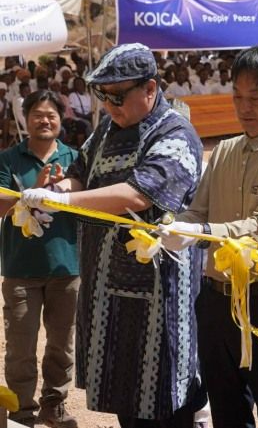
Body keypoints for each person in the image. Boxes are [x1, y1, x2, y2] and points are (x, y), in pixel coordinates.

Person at [21, 43, 205, 428]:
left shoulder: (175, 133)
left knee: (164, 401)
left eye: (118, 96)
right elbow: (82, 171)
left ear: (150, 89)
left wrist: (67, 200)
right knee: (126, 399)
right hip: (108, 290)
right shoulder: (107, 128)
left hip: (157, 296)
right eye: (103, 96)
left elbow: (137, 194)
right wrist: (57, 191)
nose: (109, 105)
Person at [158, 46, 258, 428]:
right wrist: (173, 226)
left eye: (256, 98)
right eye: (238, 97)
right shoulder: (225, 150)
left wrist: (202, 231)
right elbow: (198, 210)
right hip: (215, 299)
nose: (245, 108)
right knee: (226, 407)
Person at [0, 90, 80, 428]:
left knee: (62, 346)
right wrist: (31, 192)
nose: (44, 120)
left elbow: (88, 201)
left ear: (61, 120)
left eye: (51, 115)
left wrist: (62, 189)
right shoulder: (8, 159)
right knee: (20, 347)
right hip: (21, 268)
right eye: (37, 114)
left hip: (67, 267)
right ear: (26, 118)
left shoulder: (75, 158)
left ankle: (54, 404)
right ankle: (20, 412)